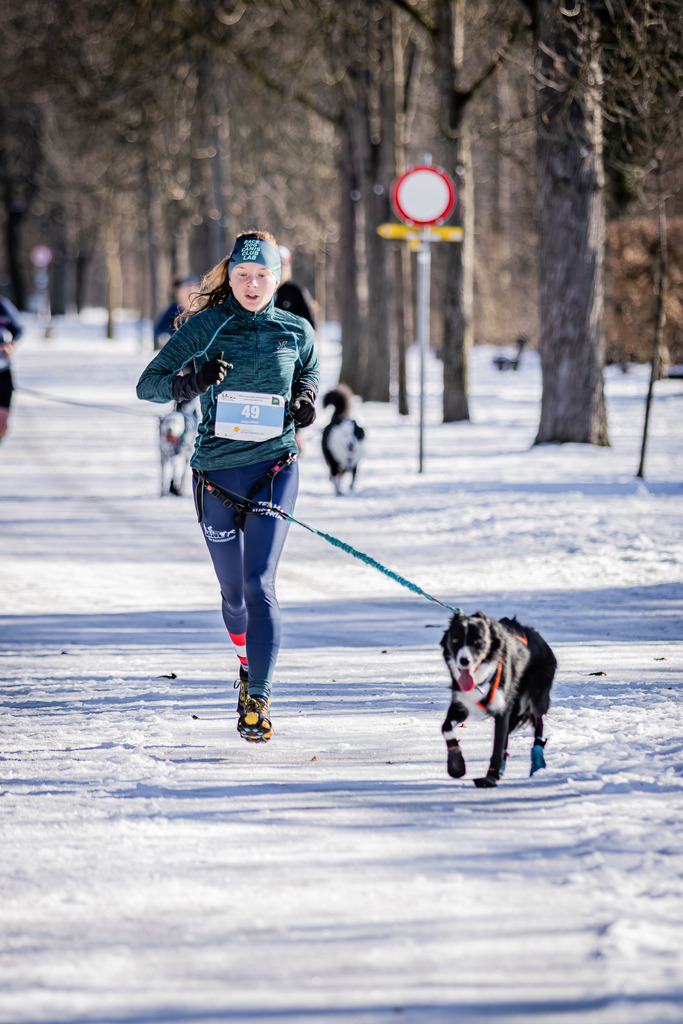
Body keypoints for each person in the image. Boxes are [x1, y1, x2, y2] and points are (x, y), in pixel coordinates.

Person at [137, 231, 319, 744]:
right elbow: (148, 384)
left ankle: (258, 699)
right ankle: (245, 662)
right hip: (216, 476)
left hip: (275, 469)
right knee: (234, 594)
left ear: (277, 279)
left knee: (260, 584)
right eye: (243, 275)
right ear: (230, 276)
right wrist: (190, 382)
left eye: (262, 275)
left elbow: (308, 373)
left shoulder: (296, 330)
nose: (252, 284)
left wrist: (305, 399)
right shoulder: (206, 327)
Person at [274, 246, 316, 329]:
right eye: (276, 263)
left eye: (283, 263)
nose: (280, 268)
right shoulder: (257, 291)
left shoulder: (297, 292)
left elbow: (311, 329)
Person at [153, 276, 201, 350]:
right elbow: (160, 330)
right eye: (186, 290)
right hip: (177, 350)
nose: (189, 293)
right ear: (179, 293)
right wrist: (166, 336)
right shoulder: (173, 310)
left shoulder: (203, 311)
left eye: (192, 290)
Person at [0, 296, 24, 443]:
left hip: (2, 371)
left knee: (2, 424)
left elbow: (18, 328)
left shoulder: (2, 305)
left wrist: (10, 345)